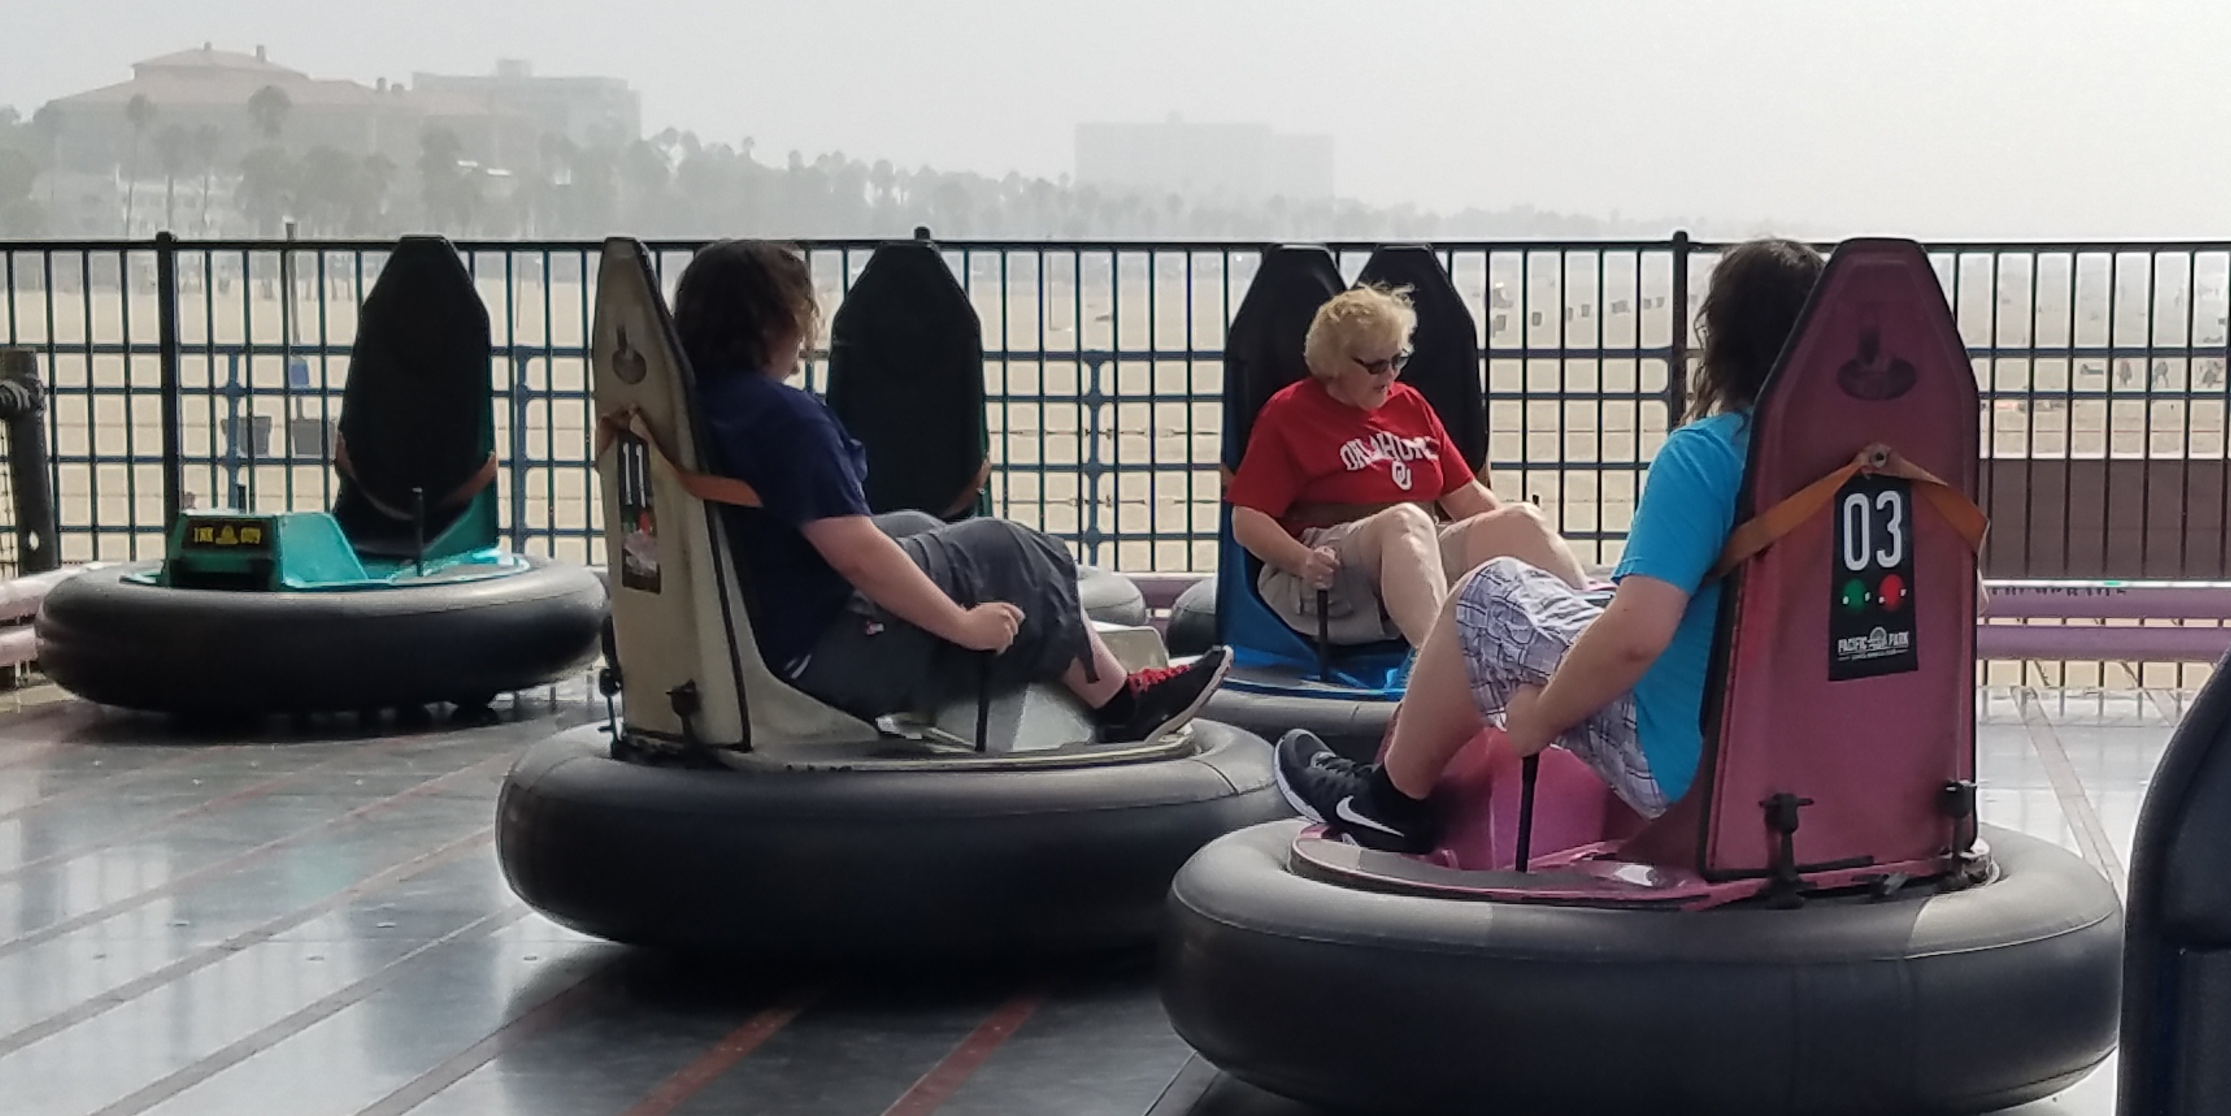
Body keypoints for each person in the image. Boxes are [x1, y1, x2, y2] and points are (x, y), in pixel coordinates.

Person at [1270, 237, 1824, 848]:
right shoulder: (1867, 464)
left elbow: (1636, 639)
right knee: (1593, 595)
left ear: (1718, 338)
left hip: (1689, 759)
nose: (1390, 373)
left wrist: (1541, 717)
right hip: (1817, 758)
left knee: (1485, 597)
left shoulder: (1707, 456)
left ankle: (1387, 802)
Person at [657, 241, 1226, 740]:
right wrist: (963, 625)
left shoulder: (692, 409)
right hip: (817, 660)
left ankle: (1087, 674)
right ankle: (1125, 704)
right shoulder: (785, 421)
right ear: (775, 324)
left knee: (914, 526)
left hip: (746, 635)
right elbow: (857, 555)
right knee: (1008, 549)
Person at [1226, 282, 1580, 652]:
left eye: (1398, 360)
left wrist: (1507, 528)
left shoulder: (1409, 404)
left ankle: (1586, 640)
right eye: (1377, 365)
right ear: (1335, 363)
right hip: (1332, 561)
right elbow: (1248, 519)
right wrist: (1301, 561)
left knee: (1522, 520)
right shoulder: (1290, 414)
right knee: (1405, 522)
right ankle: (1441, 664)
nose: (1390, 375)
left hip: (1416, 544)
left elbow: (1467, 500)